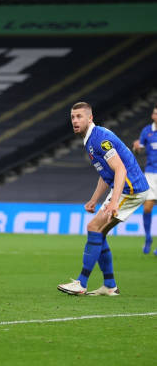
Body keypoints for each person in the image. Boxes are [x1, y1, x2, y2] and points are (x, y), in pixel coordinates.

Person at [57, 102, 148, 296]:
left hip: (131, 190)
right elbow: (106, 172)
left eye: (79, 116)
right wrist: (94, 199)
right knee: (98, 232)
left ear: (90, 118)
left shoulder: (99, 140)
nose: (75, 120)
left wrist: (114, 202)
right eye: (73, 117)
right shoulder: (91, 139)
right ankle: (109, 285)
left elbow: (120, 169)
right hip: (124, 188)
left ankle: (81, 283)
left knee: (93, 228)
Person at [132, 104, 157, 254]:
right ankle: (148, 238)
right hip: (151, 173)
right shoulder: (147, 131)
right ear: (152, 116)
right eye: (155, 113)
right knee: (147, 207)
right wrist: (136, 147)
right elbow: (139, 149)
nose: (156, 115)